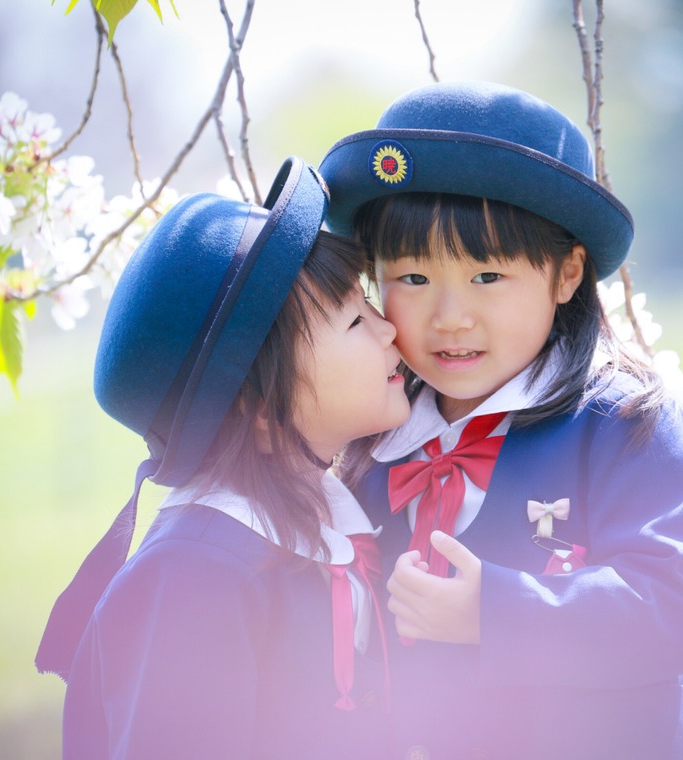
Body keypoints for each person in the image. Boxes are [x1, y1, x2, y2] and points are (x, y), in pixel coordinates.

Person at [319, 81, 683, 758]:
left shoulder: (622, 424)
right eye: (413, 279)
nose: (451, 317)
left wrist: (493, 612)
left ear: (566, 276)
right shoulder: (373, 445)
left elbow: (677, 604)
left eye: (487, 277)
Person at [34, 157, 411, 759]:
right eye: (354, 320)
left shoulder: (330, 519)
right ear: (261, 408)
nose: (390, 329)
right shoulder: (194, 575)